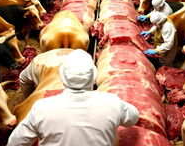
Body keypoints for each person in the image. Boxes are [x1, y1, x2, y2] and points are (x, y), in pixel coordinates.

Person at [7, 49, 139, 146]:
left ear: (63, 77)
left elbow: (15, 143)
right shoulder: (111, 102)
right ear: (94, 77)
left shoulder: (41, 108)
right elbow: (133, 118)